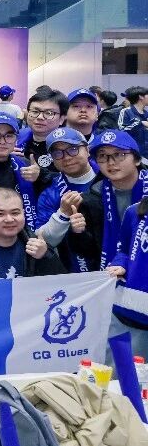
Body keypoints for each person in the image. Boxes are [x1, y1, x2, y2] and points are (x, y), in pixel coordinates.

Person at [65, 129, 148, 273]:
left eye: (119, 154)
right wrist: (78, 233)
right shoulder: (91, 200)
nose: (111, 162)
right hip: (113, 273)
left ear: (137, 159)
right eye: (102, 156)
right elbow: (89, 252)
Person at [0, 188, 64, 280]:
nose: (9, 219)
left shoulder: (37, 244)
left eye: (15, 213)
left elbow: (61, 284)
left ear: (23, 214)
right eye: (0, 214)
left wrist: (46, 256)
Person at [33, 127, 98, 255]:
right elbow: (41, 239)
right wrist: (62, 214)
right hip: (76, 262)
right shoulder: (50, 193)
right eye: (57, 153)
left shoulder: (109, 174)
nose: (66, 157)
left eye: (73, 149)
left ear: (87, 150)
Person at [109, 191, 148, 358]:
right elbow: (123, 249)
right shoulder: (134, 211)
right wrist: (120, 264)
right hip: (126, 312)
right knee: (120, 372)